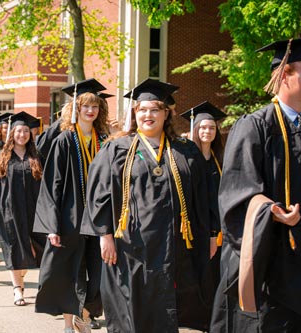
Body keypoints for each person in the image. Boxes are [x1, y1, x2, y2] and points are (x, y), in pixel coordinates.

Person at [81, 79, 212, 332]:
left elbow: (202, 197)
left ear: (166, 113)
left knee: (167, 304)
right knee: (130, 306)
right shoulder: (116, 149)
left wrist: (210, 234)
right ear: (135, 113)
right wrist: (104, 235)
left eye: (154, 109)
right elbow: (99, 195)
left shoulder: (185, 151)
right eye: (142, 109)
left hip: (173, 244)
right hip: (130, 245)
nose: (147, 115)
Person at [211, 37, 301, 332]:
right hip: (270, 260)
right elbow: (237, 193)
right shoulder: (254, 126)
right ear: (285, 73)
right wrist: (272, 211)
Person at [34, 78, 109, 333]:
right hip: (70, 218)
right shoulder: (65, 140)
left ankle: (84, 314)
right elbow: (52, 184)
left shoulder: (105, 141)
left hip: (98, 219)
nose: (90, 111)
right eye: (85, 106)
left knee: (99, 274)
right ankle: (69, 324)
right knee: (69, 272)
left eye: (95, 106)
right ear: (76, 108)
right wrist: (51, 225)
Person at [0, 111, 45, 306]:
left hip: (34, 211)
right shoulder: (1, 157)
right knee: (13, 247)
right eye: (18, 131)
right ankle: (17, 290)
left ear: (30, 134)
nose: (22, 135)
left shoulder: (37, 156)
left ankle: (21, 273)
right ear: (11, 133)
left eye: (25, 131)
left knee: (36, 249)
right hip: (9, 211)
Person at [180, 101, 227, 325]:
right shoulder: (188, 159)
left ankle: (211, 320)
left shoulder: (221, 159)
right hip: (193, 227)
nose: (207, 131)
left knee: (214, 275)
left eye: (211, 128)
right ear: (195, 129)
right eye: (202, 127)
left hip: (218, 229)